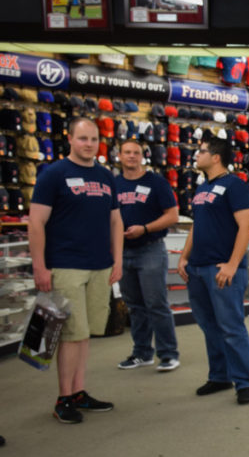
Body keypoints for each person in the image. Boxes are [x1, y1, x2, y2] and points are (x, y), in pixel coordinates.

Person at [28, 117, 122, 424]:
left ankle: (79, 392)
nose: (89, 144)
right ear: (70, 139)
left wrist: (117, 260)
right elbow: (36, 222)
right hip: (65, 265)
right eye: (83, 138)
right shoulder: (53, 174)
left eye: (94, 139)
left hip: (100, 266)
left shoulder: (106, 176)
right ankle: (63, 398)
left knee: (85, 335)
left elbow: (115, 221)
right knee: (70, 334)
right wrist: (40, 266)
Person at [176, 137, 249, 405]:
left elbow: (246, 226)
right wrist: (184, 258)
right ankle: (220, 376)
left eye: (201, 151)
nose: (195, 155)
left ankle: (246, 383)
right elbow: (196, 226)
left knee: (231, 327)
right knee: (209, 326)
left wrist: (233, 264)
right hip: (197, 268)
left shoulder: (235, 185)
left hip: (222, 269)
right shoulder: (201, 188)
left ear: (215, 157)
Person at [114, 139, 180, 372]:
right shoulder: (114, 184)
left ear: (142, 156)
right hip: (123, 251)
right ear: (119, 156)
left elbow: (172, 216)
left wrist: (145, 228)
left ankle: (169, 354)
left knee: (156, 303)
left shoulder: (156, 182)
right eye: (127, 152)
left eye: (136, 153)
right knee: (134, 306)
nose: (132, 156)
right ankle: (142, 353)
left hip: (150, 249)